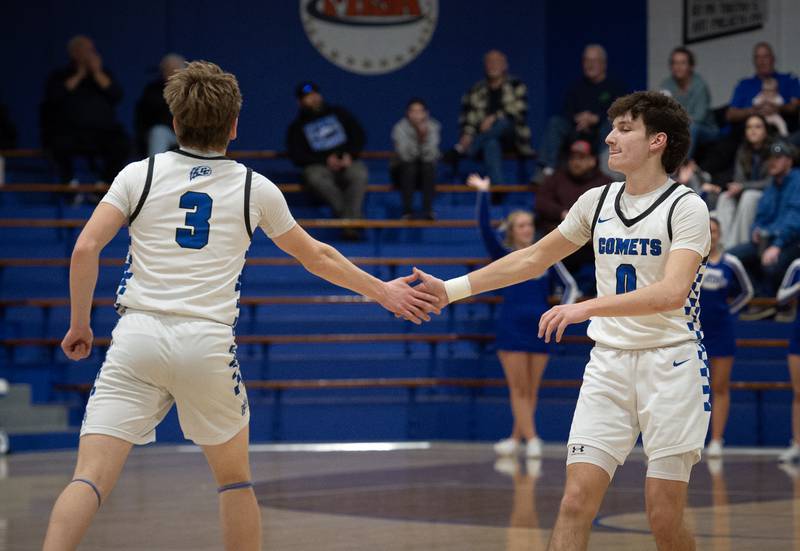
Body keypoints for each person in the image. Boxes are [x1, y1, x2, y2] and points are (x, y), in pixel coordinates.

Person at [41, 61, 438, 551]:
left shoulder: (137, 175)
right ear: (234, 126)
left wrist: (80, 323)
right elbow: (316, 256)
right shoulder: (255, 187)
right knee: (234, 482)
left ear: (176, 120)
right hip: (205, 342)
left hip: (136, 336)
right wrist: (384, 292)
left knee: (89, 479)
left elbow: (84, 250)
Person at [415, 91, 710, 549]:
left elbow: (672, 292)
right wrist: (453, 289)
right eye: (611, 127)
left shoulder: (685, 206)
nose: (609, 137)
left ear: (658, 141)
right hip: (609, 364)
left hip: (671, 365)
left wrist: (585, 307)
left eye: (625, 129)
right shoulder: (597, 201)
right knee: (574, 501)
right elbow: (533, 257)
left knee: (663, 514)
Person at [468, 173, 578, 459]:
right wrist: (484, 193)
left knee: (531, 390)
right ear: (512, 231)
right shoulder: (503, 255)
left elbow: (570, 286)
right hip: (511, 328)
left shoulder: (545, 257)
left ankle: (517, 438)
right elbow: (484, 229)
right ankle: (533, 439)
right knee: (518, 388)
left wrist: (561, 314)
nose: (527, 229)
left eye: (530, 225)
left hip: (539, 329)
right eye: (521, 226)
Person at [42, 35, 129, 184]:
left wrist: (96, 73)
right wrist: (80, 74)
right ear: (74, 53)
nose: (90, 54)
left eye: (92, 50)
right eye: (86, 51)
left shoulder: (103, 74)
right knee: (56, 142)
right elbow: (55, 96)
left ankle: (104, 184)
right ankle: (69, 184)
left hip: (102, 131)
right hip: (69, 131)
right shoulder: (60, 75)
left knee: (121, 143)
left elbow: (116, 94)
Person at [700, 217, 754, 457]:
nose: (711, 235)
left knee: (720, 387)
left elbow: (747, 292)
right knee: (688, 389)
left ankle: (716, 440)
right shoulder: (690, 260)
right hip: (693, 332)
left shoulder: (730, 263)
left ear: (720, 235)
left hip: (722, 332)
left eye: (714, 231)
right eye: (707, 230)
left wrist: (729, 311)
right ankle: (689, 441)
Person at [285, 81, 368, 231]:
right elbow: (297, 155)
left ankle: (348, 222)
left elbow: (358, 135)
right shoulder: (296, 127)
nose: (313, 98)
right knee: (314, 177)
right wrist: (324, 160)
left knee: (359, 173)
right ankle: (351, 220)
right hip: (320, 167)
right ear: (300, 101)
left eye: (315, 94)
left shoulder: (339, 113)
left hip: (347, 162)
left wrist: (350, 154)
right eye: (308, 97)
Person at [534, 139, 612, 295]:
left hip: (592, 241)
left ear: (592, 160)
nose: (576, 162)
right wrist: (562, 213)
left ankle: (601, 291)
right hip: (561, 237)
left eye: (581, 158)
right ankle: (555, 289)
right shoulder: (557, 178)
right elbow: (541, 202)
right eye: (573, 158)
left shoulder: (605, 182)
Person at [727, 140, 800, 306]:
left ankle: (776, 304)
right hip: (768, 240)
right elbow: (761, 216)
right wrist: (756, 230)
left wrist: (777, 245)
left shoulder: (797, 181)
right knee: (731, 259)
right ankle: (759, 299)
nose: (772, 162)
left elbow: (795, 219)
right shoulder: (772, 185)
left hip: (791, 242)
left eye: (778, 157)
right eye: (770, 158)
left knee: (771, 265)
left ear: (789, 160)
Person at [539, 44, 627, 178]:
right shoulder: (576, 87)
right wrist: (579, 119)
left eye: (594, 61)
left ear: (603, 64)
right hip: (578, 130)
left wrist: (595, 118)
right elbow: (567, 111)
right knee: (556, 122)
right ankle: (547, 170)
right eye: (586, 60)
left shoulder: (615, 88)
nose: (590, 65)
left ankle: (607, 171)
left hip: (601, 134)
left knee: (612, 124)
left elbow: (622, 114)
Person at [450, 50, 532, 185]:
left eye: (496, 62)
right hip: (489, 138)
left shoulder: (516, 85)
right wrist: (468, 134)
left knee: (503, 123)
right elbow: (469, 120)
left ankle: (470, 148)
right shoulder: (476, 90)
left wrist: (494, 118)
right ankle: (498, 188)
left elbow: (519, 113)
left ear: (505, 66)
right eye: (489, 62)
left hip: (513, 137)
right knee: (491, 144)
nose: (492, 65)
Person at [714, 114, 774, 249]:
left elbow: (770, 182)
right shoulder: (743, 150)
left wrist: (742, 187)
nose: (753, 130)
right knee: (725, 197)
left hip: (767, 195)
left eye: (758, 127)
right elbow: (738, 178)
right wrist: (737, 187)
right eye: (749, 127)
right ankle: (722, 246)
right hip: (746, 191)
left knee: (749, 196)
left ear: (765, 130)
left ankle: (738, 246)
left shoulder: (773, 150)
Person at [659, 46, 717, 160]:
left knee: (692, 127)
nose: (678, 67)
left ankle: (680, 165)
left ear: (691, 66)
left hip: (706, 129)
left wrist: (675, 120)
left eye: (683, 63)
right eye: (675, 63)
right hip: (678, 127)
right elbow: (662, 113)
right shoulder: (666, 85)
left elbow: (698, 118)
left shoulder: (700, 85)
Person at [391, 98, 440, 220]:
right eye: (413, 111)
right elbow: (404, 156)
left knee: (428, 167)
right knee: (409, 167)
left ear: (426, 113)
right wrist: (420, 138)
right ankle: (407, 211)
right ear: (408, 113)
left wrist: (423, 137)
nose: (417, 115)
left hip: (424, 172)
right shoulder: (399, 128)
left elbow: (432, 155)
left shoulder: (433, 127)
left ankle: (428, 211)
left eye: (420, 111)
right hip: (401, 172)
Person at [135, 53, 186, 156]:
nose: (172, 73)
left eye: (175, 69)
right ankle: (154, 170)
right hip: (167, 133)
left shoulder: (193, 89)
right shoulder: (153, 90)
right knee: (158, 132)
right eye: (168, 69)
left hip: (189, 135)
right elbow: (145, 119)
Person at [777, 258, 800, 462]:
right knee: (799, 392)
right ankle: (797, 444)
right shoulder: (796, 266)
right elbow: (781, 296)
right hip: (798, 335)